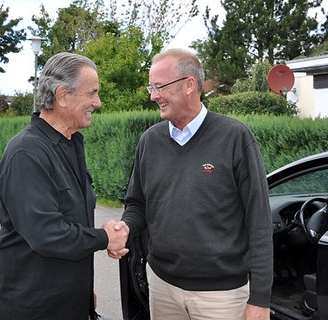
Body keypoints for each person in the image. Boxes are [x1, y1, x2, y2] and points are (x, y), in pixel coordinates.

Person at [109, 48, 273, 320]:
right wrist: (124, 227)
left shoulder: (235, 138)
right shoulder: (149, 141)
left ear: (189, 85)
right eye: (152, 87)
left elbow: (259, 221)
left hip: (221, 297)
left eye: (159, 87)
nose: (153, 96)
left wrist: (260, 298)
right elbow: (137, 203)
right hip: (162, 287)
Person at [0, 52, 128, 320]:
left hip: (69, 305)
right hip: (35, 309)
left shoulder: (70, 143)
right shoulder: (27, 152)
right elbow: (48, 235)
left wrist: (81, 295)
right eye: (92, 93)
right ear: (63, 95)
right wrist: (104, 238)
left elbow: (73, 222)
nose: (98, 103)